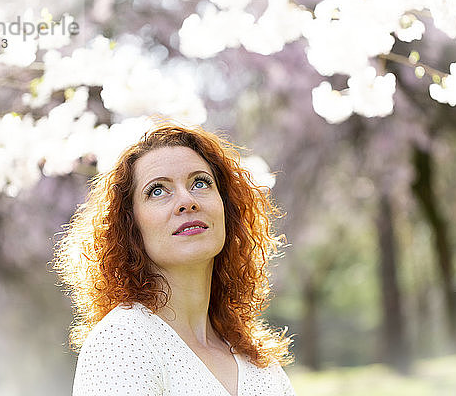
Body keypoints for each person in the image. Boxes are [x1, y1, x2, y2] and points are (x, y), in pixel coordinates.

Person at [53, 119, 295, 395]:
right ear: (130, 226)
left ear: (226, 209)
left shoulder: (259, 361)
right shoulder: (123, 340)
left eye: (200, 183)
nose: (186, 200)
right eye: (158, 190)